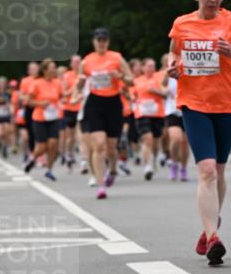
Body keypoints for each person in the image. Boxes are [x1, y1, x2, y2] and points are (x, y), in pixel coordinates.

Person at [167, 0, 231, 265]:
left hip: (228, 105)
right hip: (194, 103)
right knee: (206, 169)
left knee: (218, 170)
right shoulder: (182, 23)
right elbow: (175, 54)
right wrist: (173, 69)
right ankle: (214, 238)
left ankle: (209, 228)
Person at [72, 28, 135, 199]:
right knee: (98, 144)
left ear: (108, 41)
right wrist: (77, 91)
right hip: (94, 103)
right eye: (98, 40)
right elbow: (79, 83)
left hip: (113, 103)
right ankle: (100, 185)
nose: (101, 43)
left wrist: (120, 75)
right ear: (93, 41)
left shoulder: (116, 57)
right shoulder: (87, 61)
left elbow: (131, 80)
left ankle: (113, 170)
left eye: (104, 40)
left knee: (111, 147)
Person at [23, 59, 66, 180]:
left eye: (55, 67)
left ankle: (49, 169)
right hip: (39, 118)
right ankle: (32, 159)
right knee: (42, 147)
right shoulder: (36, 83)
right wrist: (41, 103)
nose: (54, 70)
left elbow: (63, 96)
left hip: (53, 117)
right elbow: (28, 101)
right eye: (52, 67)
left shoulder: (57, 83)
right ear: (45, 70)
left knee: (53, 144)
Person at [133, 57, 168, 180]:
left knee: (156, 141)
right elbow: (132, 95)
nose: (151, 68)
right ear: (143, 68)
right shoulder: (137, 81)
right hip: (142, 114)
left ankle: (153, 159)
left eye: (153, 66)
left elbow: (166, 94)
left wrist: (155, 91)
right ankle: (147, 166)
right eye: (148, 66)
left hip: (157, 114)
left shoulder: (159, 78)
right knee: (147, 139)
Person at [164, 68, 190, 181]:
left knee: (184, 143)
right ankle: (174, 163)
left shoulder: (192, 68)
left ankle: (183, 168)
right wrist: (165, 90)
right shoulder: (170, 70)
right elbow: (160, 85)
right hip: (173, 110)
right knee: (176, 138)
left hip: (188, 110)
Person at [60, 55, 82, 169]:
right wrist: (74, 89)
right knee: (70, 137)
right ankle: (69, 154)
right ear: (71, 64)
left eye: (79, 62)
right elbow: (63, 93)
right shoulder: (66, 76)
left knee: (80, 134)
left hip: (82, 107)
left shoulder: (84, 75)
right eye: (75, 62)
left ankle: (83, 158)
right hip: (69, 108)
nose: (77, 64)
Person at [19, 62, 39, 156]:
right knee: (30, 131)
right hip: (29, 108)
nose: (34, 70)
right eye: (32, 69)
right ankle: (33, 152)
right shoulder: (25, 81)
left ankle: (41, 153)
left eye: (36, 68)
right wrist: (29, 99)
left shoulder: (41, 79)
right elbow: (21, 96)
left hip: (40, 108)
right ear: (28, 71)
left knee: (39, 132)